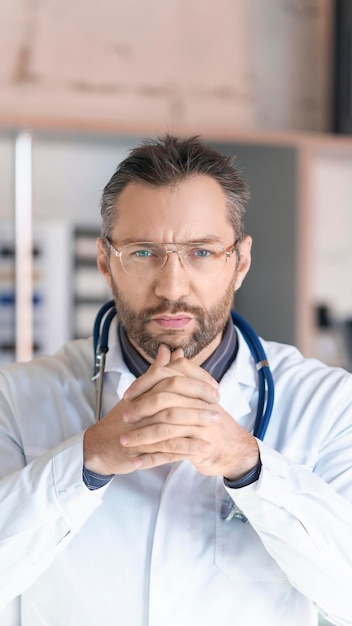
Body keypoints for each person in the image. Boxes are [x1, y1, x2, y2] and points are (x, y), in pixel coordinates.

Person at [0, 135, 351, 626]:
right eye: (144, 252)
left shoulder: (330, 404)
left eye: (201, 252)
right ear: (105, 262)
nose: (172, 286)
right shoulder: (16, 399)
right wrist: (88, 461)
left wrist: (249, 467)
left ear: (241, 262)